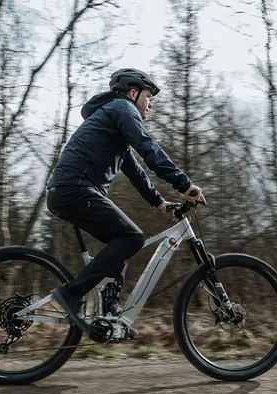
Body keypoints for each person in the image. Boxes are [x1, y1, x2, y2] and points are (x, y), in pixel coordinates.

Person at [46, 68, 206, 328]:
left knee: (121, 243)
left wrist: (158, 201)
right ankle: (70, 294)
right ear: (133, 93)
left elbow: (135, 171)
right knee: (130, 238)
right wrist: (185, 184)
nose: (149, 105)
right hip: (75, 190)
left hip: (71, 191)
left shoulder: (112, 119)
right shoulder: (122, 108)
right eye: (148, 98)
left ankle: (107, 318)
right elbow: (148, 147)